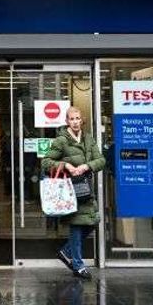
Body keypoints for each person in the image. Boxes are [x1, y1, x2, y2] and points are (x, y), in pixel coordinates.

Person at [41, 106, 105, 279]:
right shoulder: (61, 140)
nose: (75, 122)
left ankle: (65, 252)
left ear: (81, 120)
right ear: (67, 121)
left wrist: (87, 166)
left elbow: (101, 159)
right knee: (76, 225)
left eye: (78, 118)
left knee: (92, 221)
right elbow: (46, 162)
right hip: (70, 190)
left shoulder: (88, 139)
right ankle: (78, 265)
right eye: (72, 119)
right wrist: (66, 165)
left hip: (85, 188)